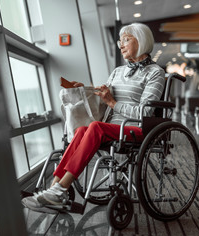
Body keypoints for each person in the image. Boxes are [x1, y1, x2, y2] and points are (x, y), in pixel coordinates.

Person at [22, 23, 165, 213]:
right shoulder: (118, 72)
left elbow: (146, 112)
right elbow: (102, 97)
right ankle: (54, 190)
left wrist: (113, 103)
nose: (121, 45)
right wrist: (86, 90)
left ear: (142, 40)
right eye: (119, 41)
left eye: (126, 40)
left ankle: (59, 190)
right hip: (111, 128)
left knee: (96, 127)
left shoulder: (155, 72)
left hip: (138, 129)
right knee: (81, 130)